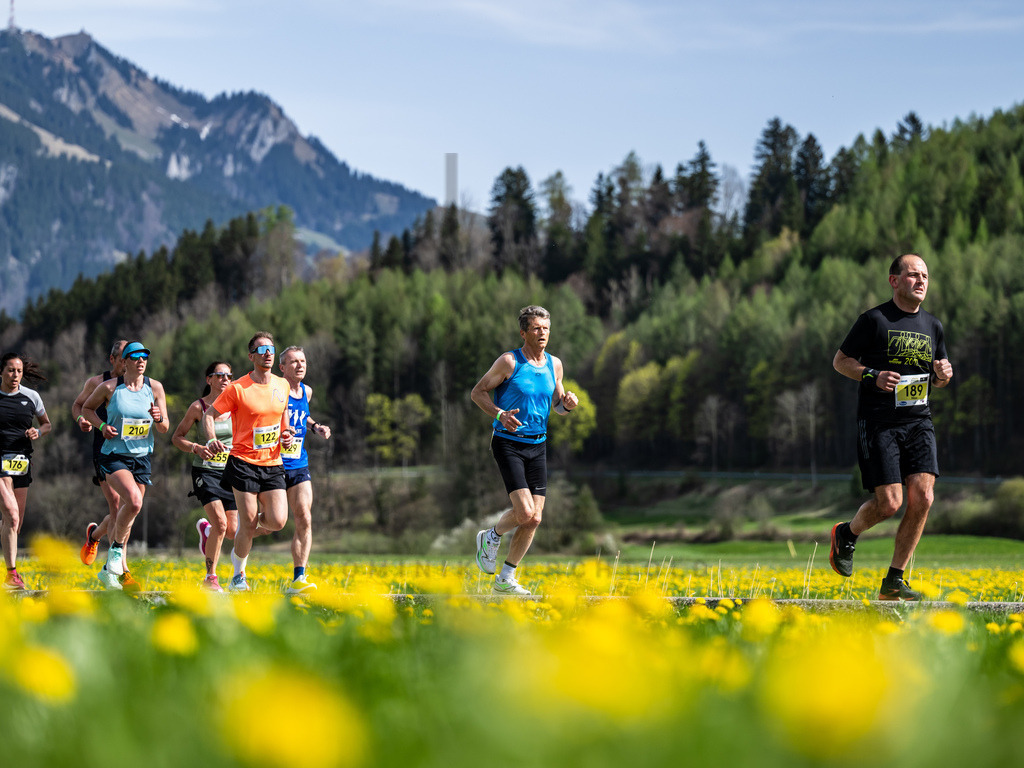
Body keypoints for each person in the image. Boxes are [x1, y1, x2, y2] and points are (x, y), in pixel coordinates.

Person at [829, 254, 953, 601]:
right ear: (894, 280)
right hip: (879, 423)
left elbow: (937, 376)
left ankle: (894, 580)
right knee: (890, 503)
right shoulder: (874, 320)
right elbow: (840, 362)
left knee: (924, 497)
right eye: (913, 275)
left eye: (925, 276)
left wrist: (943, 377)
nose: (921, 281)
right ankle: (846, 534)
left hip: (919, 422)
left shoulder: (933, 326)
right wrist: (872, 375)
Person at [470, 305, 579, 595]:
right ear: (523, 332)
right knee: (525, 511)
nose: (542, 333)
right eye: (536, 328)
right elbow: (477, 392)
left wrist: (565, 405)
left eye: (545, 328)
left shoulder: (555, 365)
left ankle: (505, 579)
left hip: (538, 445)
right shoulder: (509, 362)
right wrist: (499, 414)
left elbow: (557, 406)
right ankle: (491, 537)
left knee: (535, 518)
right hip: (508, 443)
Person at [203, 332, 293, 592]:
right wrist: (211, 440)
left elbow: (281, 415)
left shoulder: (282, 385)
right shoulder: (237, 388)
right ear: (251, 356)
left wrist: (285, 434)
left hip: (273, 462)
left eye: (271, 348)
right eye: (261, 349)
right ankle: (238, 575)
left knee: (277, 521)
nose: (268, 352)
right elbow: (210, 415)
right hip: (242, 461)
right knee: (249, 520)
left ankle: (244, 534)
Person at [82, 341, 170, 591]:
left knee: (128, 514)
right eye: (136, 356)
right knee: (132, 501)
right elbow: (87, 408)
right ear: (125, 361)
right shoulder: (109, 387)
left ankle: (110, 566)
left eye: (145, 357)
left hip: (141, 457)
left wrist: (159, 418)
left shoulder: (155, 388)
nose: (142, 360)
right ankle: (117, 560)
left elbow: (164, 428)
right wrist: (101, 426)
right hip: (113, 455)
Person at [171, 361, 236, 592]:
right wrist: (196, 448)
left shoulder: (236, 407)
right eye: (220, 375)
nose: (225, 379)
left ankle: (206, 532)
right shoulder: (198, 408)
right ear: (209, 379)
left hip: (231, 473)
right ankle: (211, 578)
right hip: (205, 471)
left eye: (229, 375)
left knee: (231, 531)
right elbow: (177, 437)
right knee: (221, 522)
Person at [276, 345, 332, 595]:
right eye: (294, 361)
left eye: (303, 361)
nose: (300, 365)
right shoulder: (274, 390)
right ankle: (227, 537)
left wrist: (315, 426)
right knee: (271, 523)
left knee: (304, 517)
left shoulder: (306, 391)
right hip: (272, 463)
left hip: (298, 462)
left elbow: (303, 415)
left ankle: (299, 578)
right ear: (282, 367)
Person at [71, 339, 128, 565]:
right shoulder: (97, 382)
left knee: (125, 508)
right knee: (116, 506)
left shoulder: (139, 385)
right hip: (103, 449)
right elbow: (78, 406)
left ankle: (94, 536)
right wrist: (82, 420)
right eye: (124, 359)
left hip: (131, 451)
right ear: (112, 359)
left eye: (132, 359)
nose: (128, 364)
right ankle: (119, 567)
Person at [1, 353, 51, 590]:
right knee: (10, 514)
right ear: (1, 372)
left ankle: (9, 570)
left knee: (15, 523)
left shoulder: (32, 396)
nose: (15, 375)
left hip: (21, 462)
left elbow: (46, 424)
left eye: (19, 371)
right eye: (11, 370)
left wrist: (37, 433)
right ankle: (12, 574)